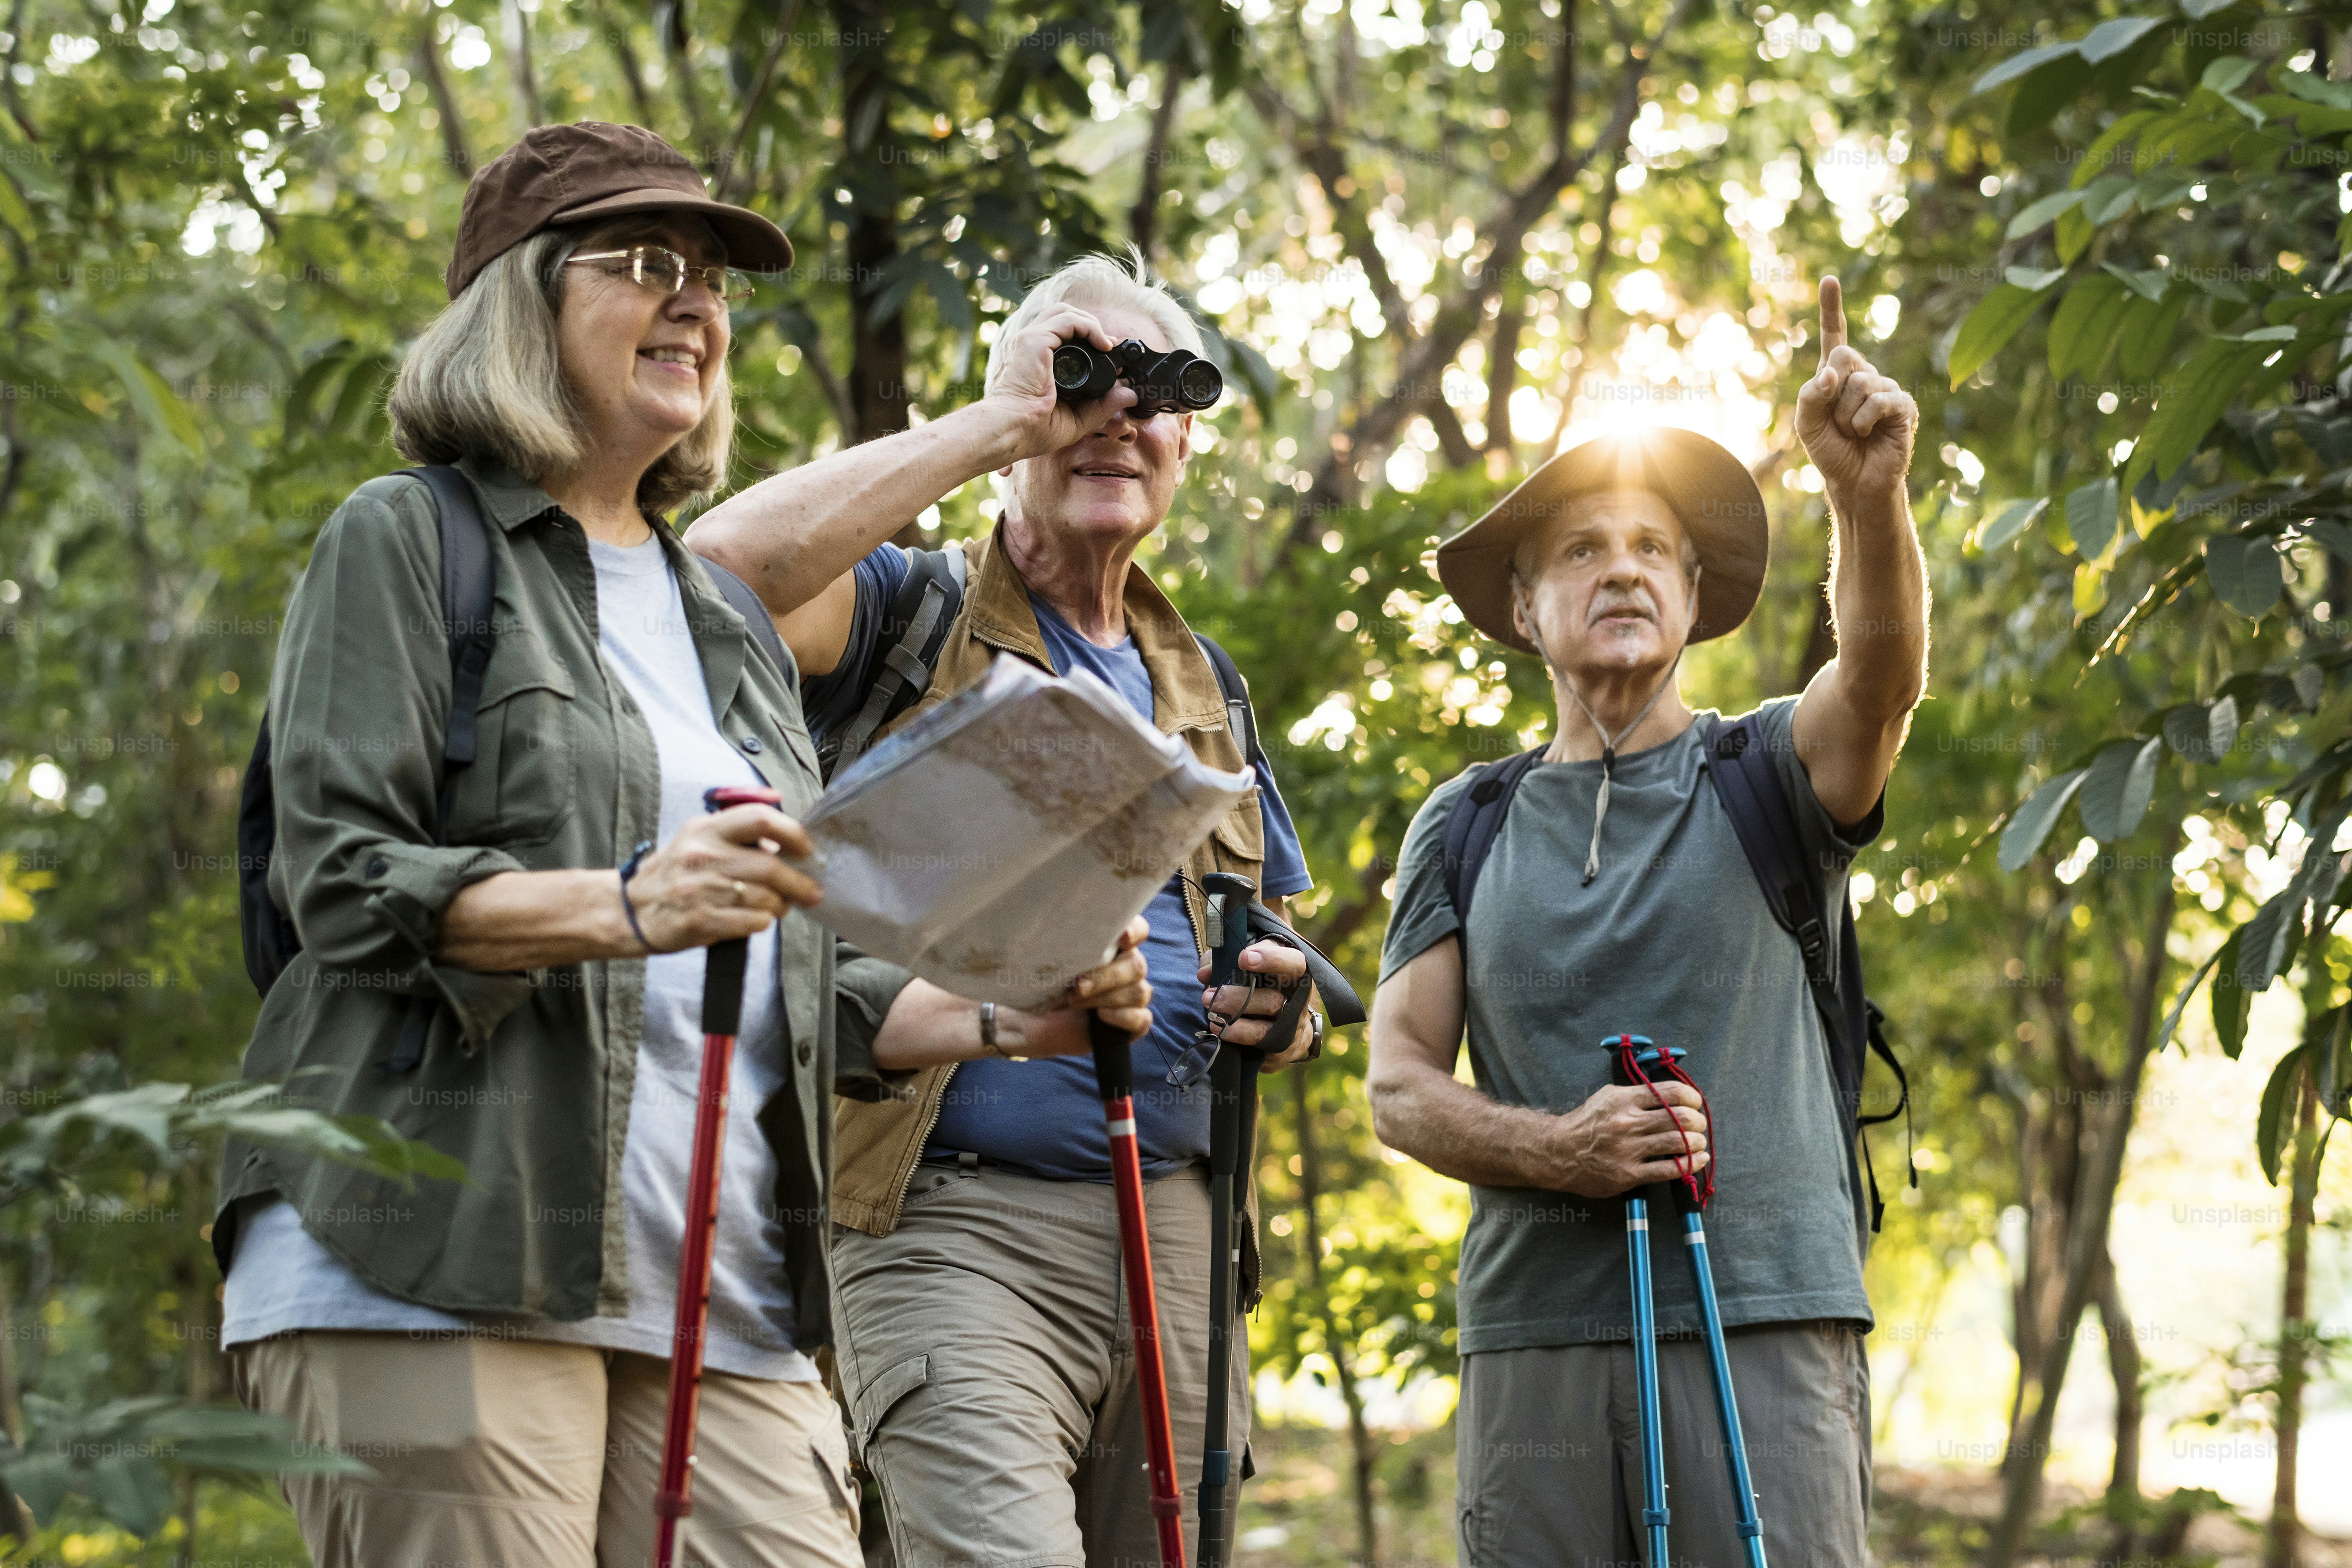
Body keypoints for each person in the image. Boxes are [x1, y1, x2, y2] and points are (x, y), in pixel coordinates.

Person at [210, 121, 1149, 1568]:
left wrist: (1004, 1013)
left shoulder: (720, 625)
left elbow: (797, 965)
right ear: (519, 303)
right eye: (646, 263)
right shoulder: (408, 538)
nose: (696, 303)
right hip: (430, 1256)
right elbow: (340, 880)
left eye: (712, 279)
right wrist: (627, 901)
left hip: (723, 1294)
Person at [688, 250, 1321, 1568]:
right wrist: (1000, 424)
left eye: (1156, 393)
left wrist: (1289, 1008)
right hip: (950, 1227)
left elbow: (1267, 944)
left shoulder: (1210, 687)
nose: (1119, 418)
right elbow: (720, 572)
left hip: (1186, 1238)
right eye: (1084, 379)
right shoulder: (902, 610)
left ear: (1190, 441)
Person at [1366, 277, 1926, 1566]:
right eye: (1580, 549)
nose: (1619, 565)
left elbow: (1885, 676)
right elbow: (1398, 1089)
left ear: (1690, 593)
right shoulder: (1467, 820)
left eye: (1650, 547)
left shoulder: (1770, 769)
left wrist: (1865, 496)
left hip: (1764, 1316)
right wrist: (1559, 1149)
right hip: (1536, 1343)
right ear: (1523, 610)